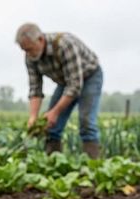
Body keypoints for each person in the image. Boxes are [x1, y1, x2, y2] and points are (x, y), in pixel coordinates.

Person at [16, 22, 103, 158]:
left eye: (29, 49)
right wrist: (33, 116)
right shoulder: (30, 56)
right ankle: (53, 163)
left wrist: (55, 112)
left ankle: (93, 165)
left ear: (40, 39)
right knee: (51, 126)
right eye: (24, 50)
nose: (28, 54)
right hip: (65, 81)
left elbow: (74, 86)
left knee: (87, 123)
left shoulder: (65, 45)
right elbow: (35, 88)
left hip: (89, 77)